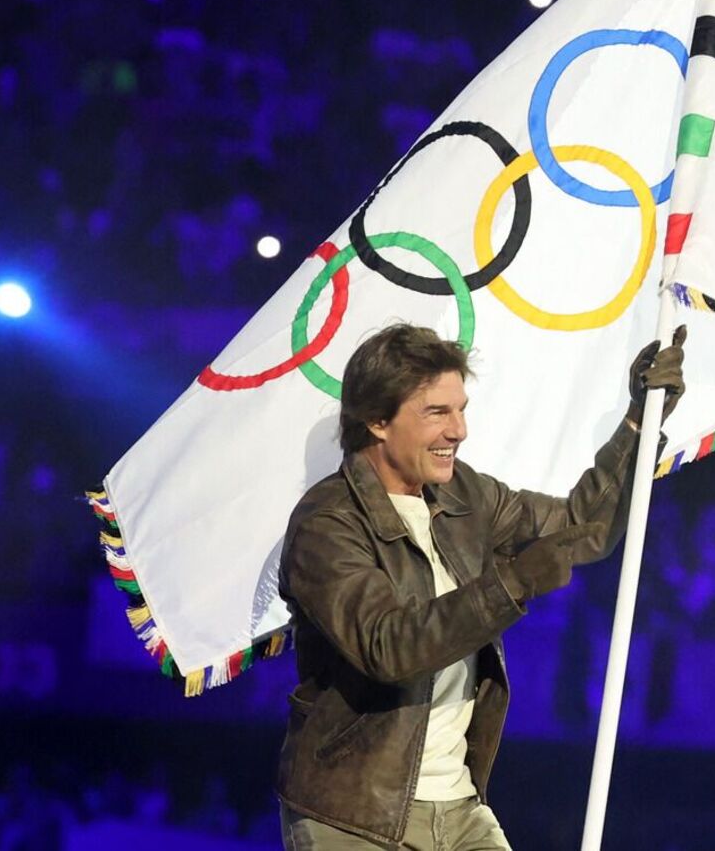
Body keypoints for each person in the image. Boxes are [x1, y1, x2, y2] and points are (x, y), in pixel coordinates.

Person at [275, 323, 685, 847]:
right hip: (356, 818)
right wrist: (510, 583)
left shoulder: (466, 494)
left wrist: (638, 425)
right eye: (437, 413)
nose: (459, 430)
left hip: (461, 806)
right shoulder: (327, 523)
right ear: (377, 420)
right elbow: (389, 647)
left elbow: (585, 527)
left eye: (461, 408)